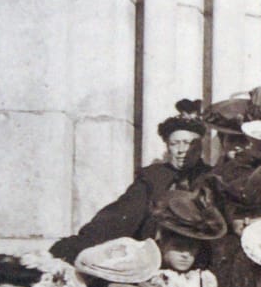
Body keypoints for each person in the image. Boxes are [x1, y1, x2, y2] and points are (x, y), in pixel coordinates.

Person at [52, 100, 211, 262]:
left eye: (188, 143)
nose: (181, 150)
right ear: (167, 147)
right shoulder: (153, 177)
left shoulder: (212, 178)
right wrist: (79, 245)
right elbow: (121, 216)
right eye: (174, 144)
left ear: (200, 147)